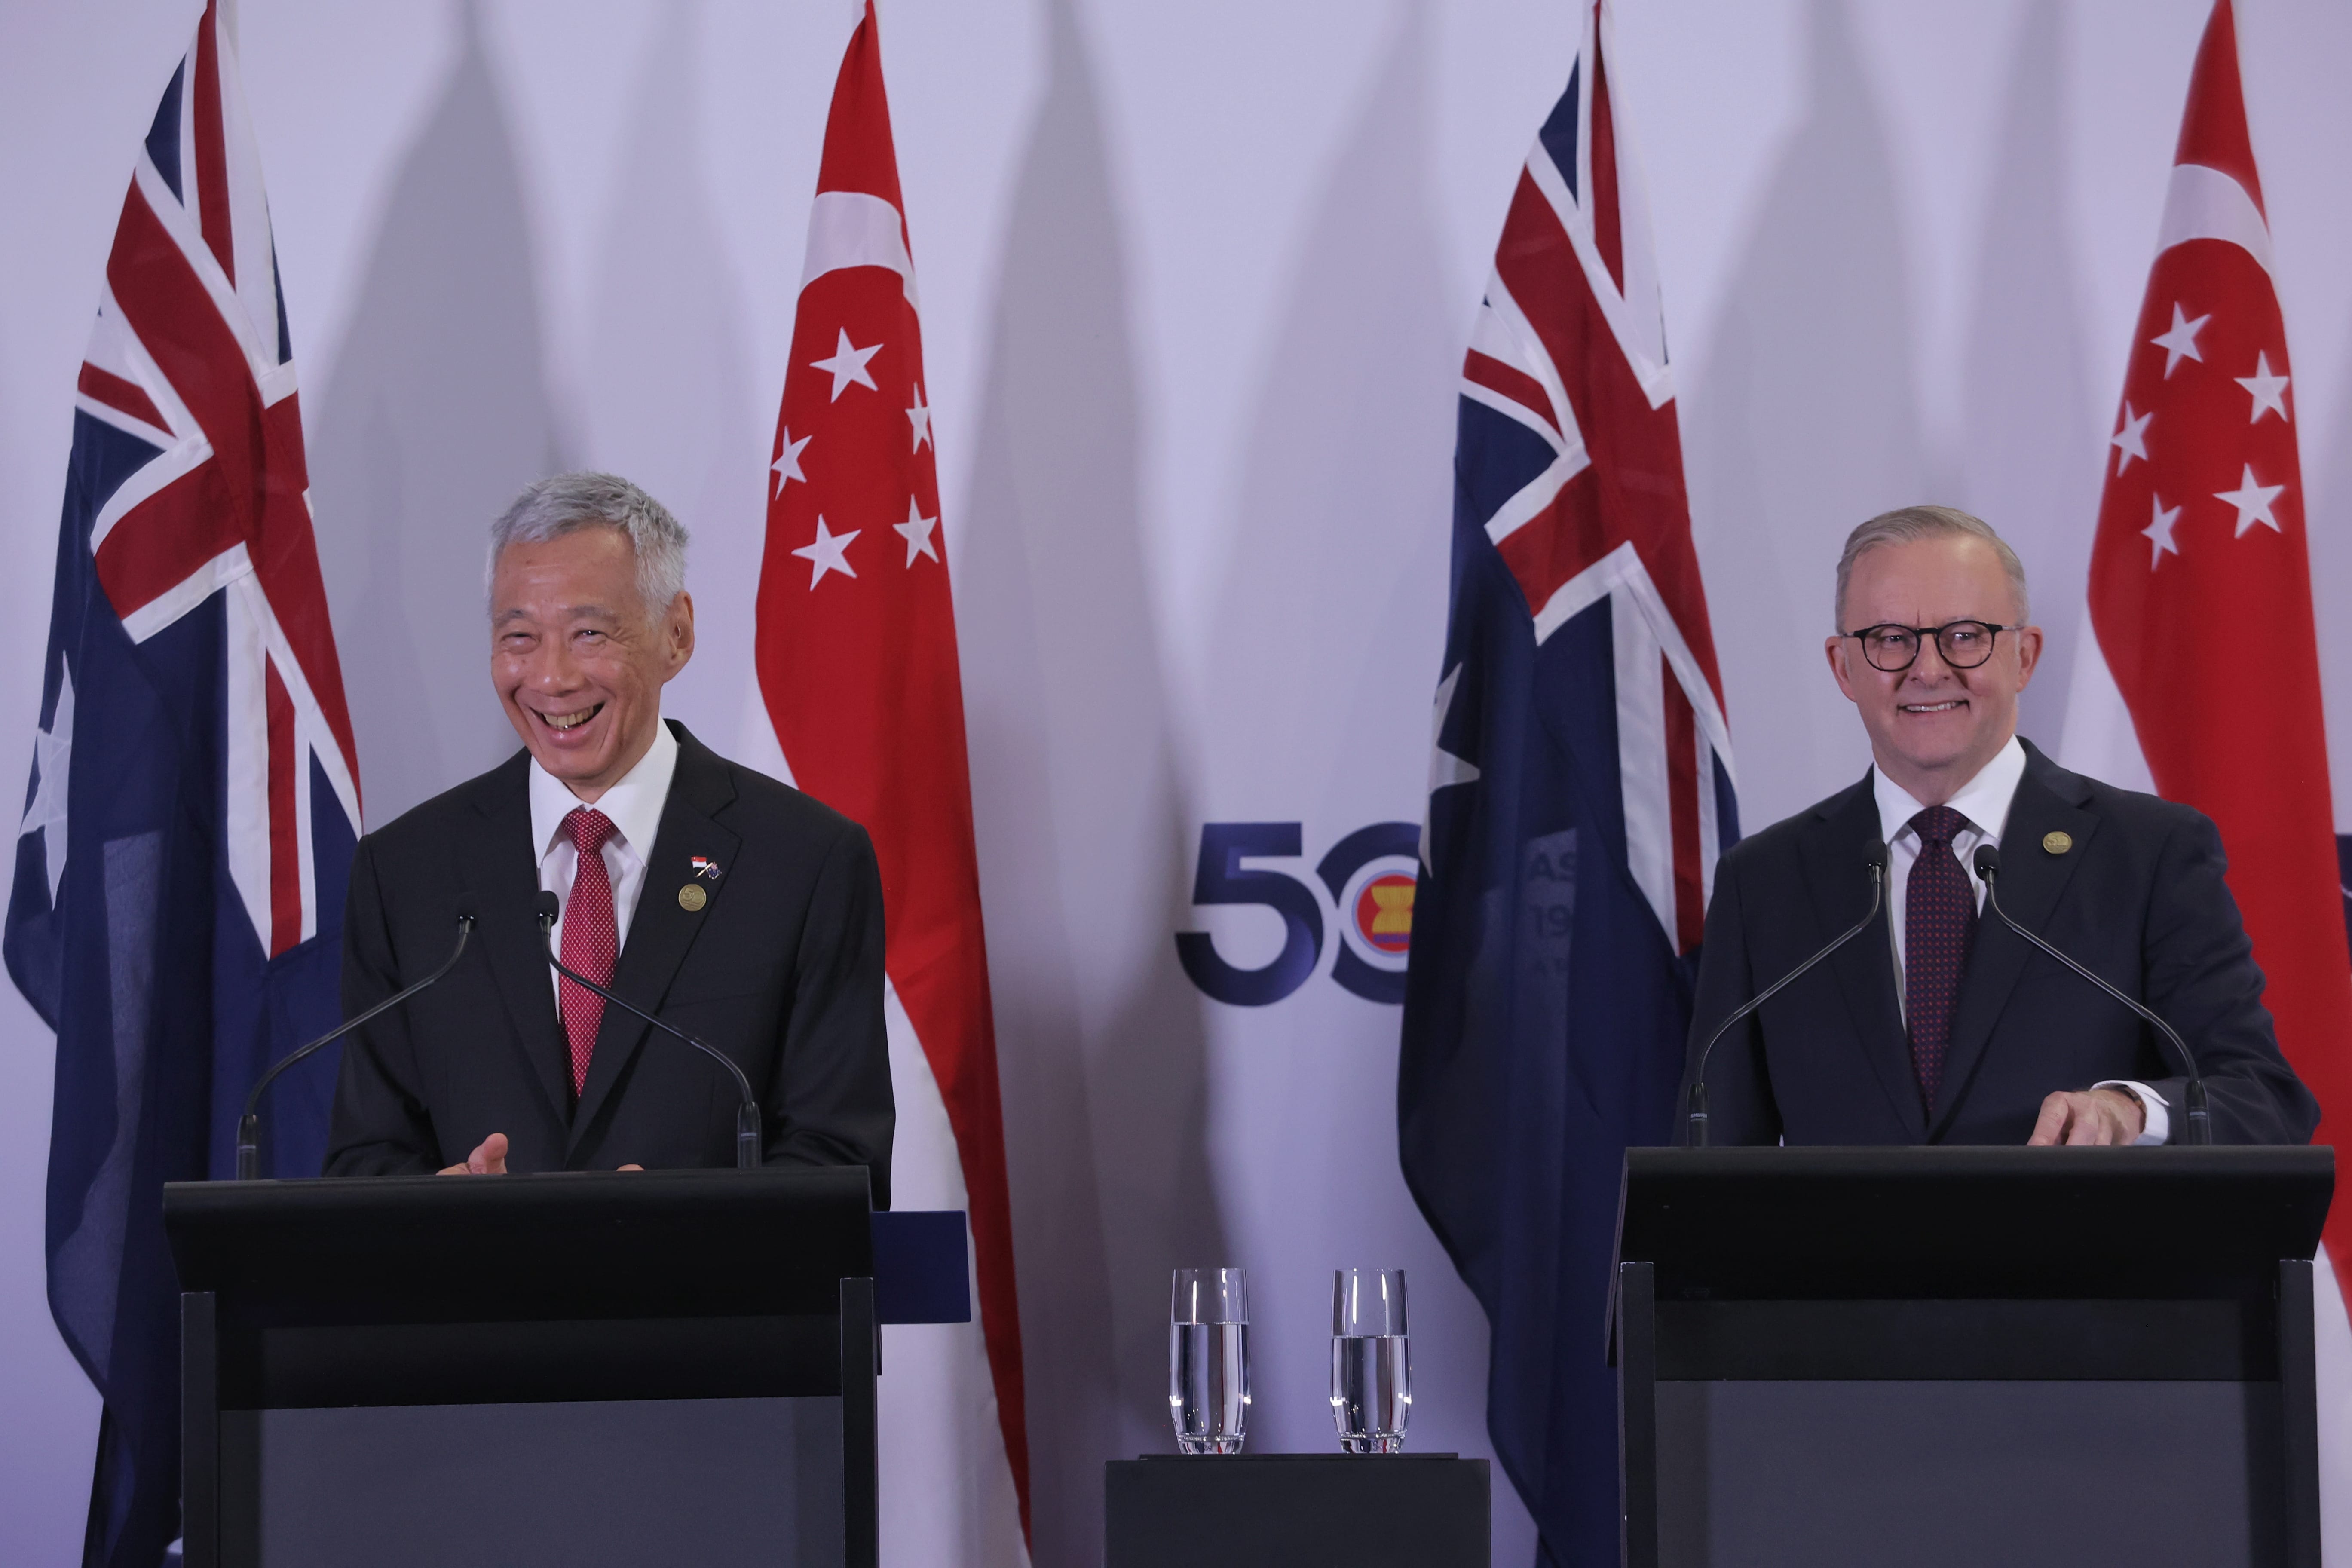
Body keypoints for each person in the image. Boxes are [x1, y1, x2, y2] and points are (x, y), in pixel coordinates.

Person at [325, 472, 895, 1196]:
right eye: (520, 637)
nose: (552, 678)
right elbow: (365, 1158)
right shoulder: (406, 872)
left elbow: (842, 1157)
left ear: (676, 635)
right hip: (478, 1303)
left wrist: (677, 1229)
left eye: (589, 633)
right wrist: (441, 1203)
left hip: (710, 1306)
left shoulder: (804, 863)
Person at [1681, 505, 2316, 1147]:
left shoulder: (2150, 854)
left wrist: (2132, 1111)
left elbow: (2264, 1100)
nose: (1928, 670)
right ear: (1843, 667)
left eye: (1964, 635)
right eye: (1891, 638)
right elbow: (1712, 1158)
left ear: (2025, 656)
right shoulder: (1764, 881)